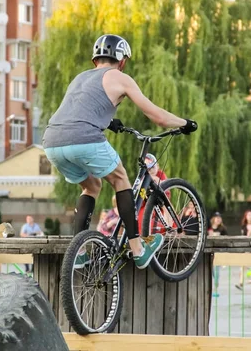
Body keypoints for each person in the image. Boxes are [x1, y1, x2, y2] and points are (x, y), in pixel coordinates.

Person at [42, 34, 198, 269]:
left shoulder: (79, 78)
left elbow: (78, 110)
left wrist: (109, 122)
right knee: (121, 178)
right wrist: (184, 123)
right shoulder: (121, 78)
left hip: (52, 141)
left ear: (95, 60)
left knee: (91, 186)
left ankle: (79, 252)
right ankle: (138, 249)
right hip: (84, 138)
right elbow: (156, 116)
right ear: (122, 60)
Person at [209, 212, 228, 297]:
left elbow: (226, 238)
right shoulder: (208, 228)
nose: (218, 220)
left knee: (216, 272)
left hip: (218, 251)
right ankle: (209, 288)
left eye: (219, 218)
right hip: (209, 251)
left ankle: (215, 289)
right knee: (210, 271)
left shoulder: (223, 229)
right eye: (217, 218)